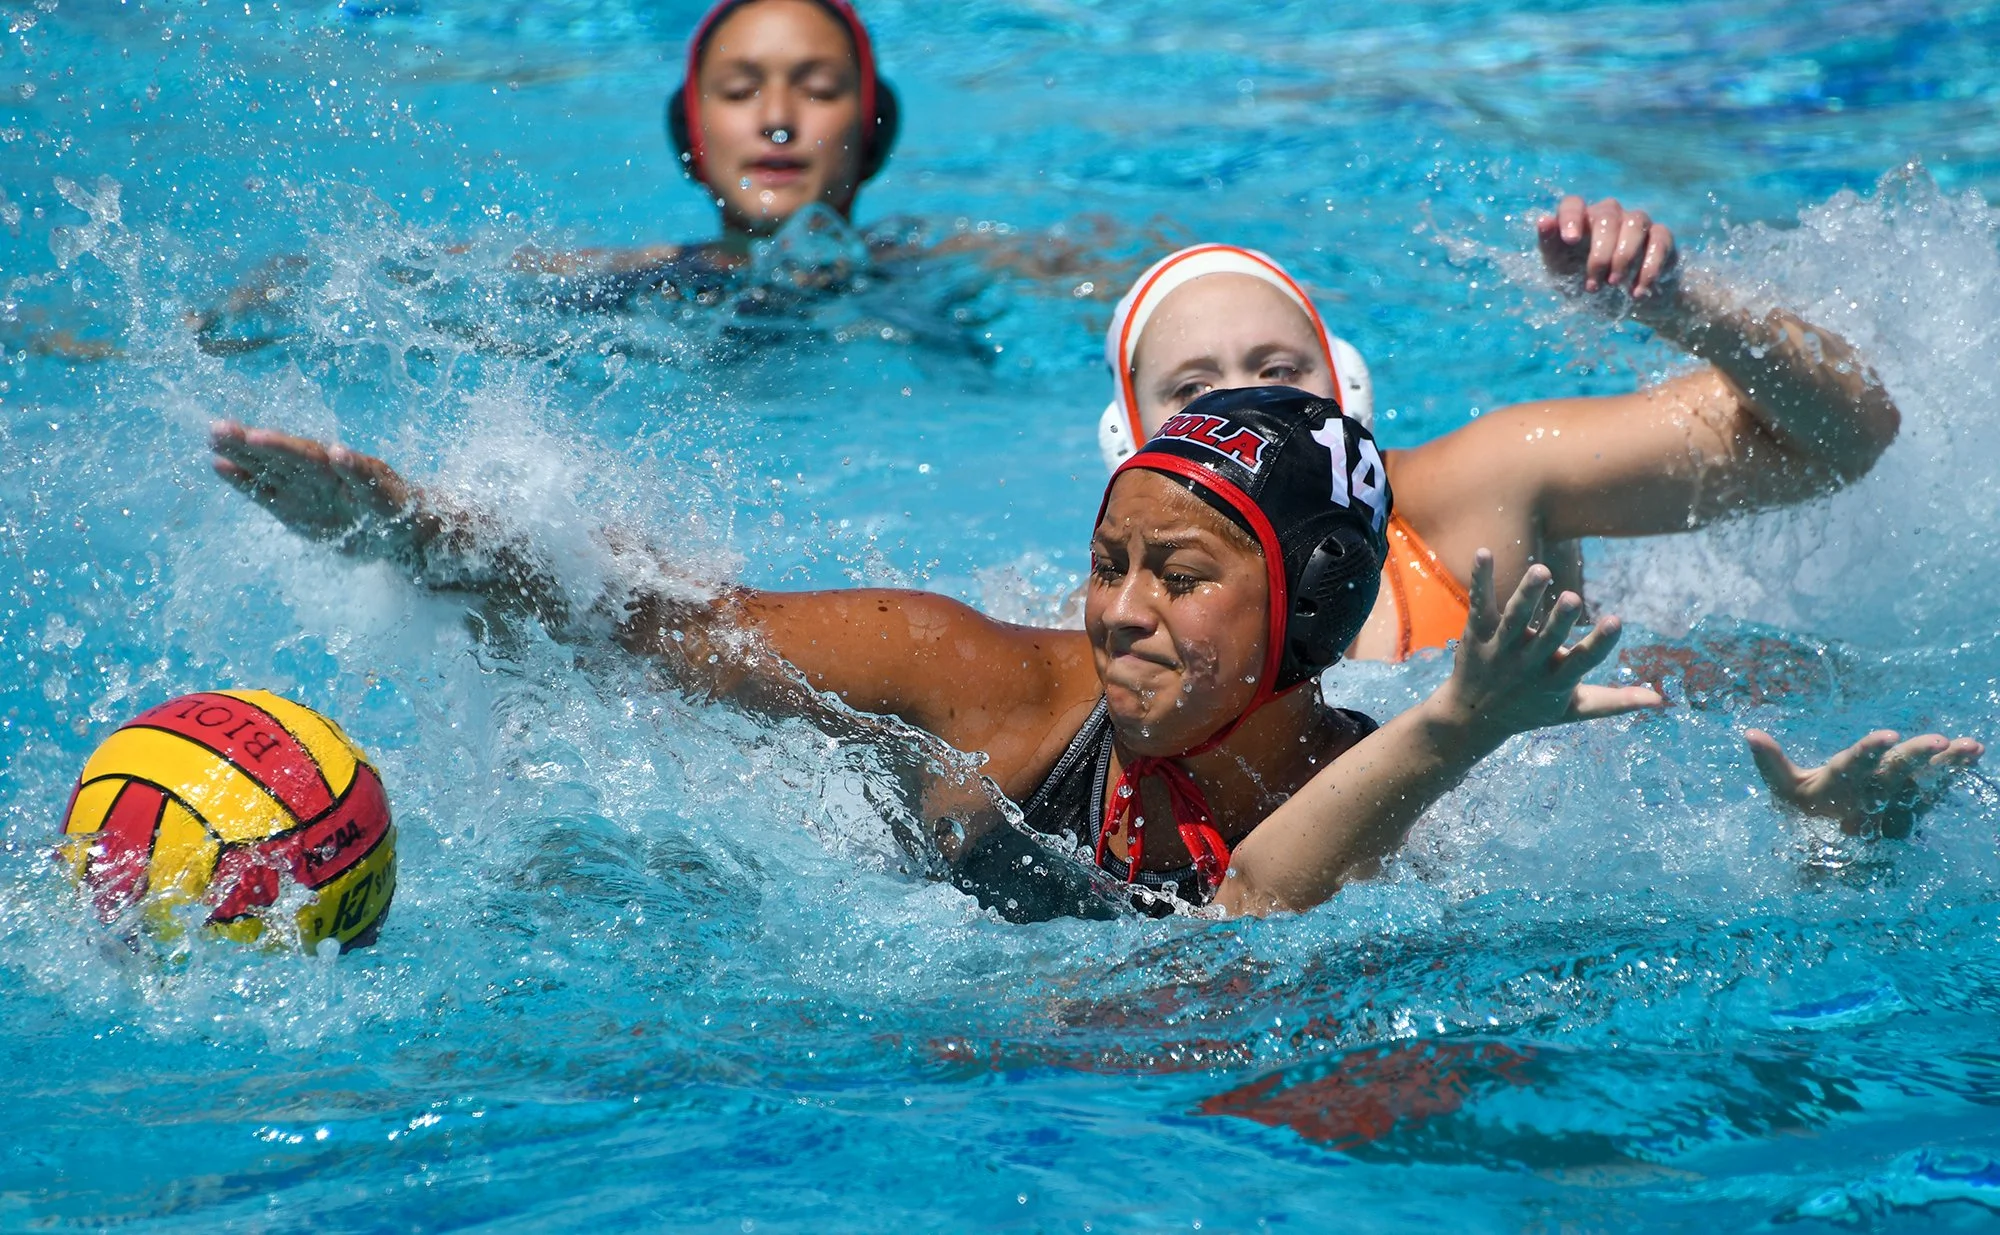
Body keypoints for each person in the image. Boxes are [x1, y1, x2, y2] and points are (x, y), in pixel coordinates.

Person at [211, 387, 1679, 918]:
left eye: (1179, 576)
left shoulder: (1383, 793)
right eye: (1108, 563)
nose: (1118, 612)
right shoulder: (987, 680)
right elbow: (652, 632)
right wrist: (419, 533)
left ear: (1306, 610)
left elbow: (1247, 924)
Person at [1094, 196, 1981, 825]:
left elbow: (1848, 437)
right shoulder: (1119, 633)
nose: (1252, 410)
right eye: (1196, 388)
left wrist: (1680, 304)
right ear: (1130, 444)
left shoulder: (1480, 493)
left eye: (1282, 371)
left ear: (1347, 393)